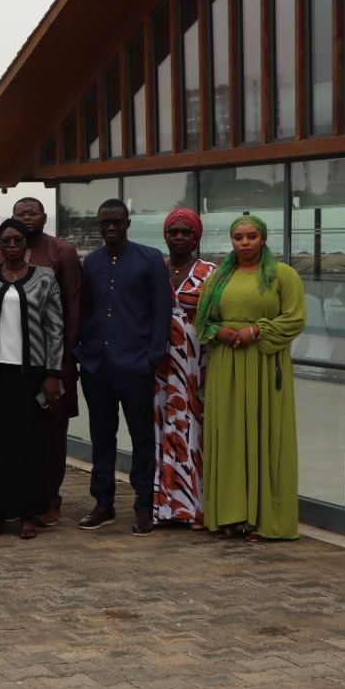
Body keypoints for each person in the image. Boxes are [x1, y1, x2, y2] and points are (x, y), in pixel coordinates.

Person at [196, 214, 306, 542]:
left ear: (263, 238)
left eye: (252, 236)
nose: (245, 243)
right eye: (238, 237)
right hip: (226, 364)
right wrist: (218, 331)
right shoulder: (218, 278)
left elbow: (295, 318)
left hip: (265, 363)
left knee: (267, 435)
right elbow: (203, 322)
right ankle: (229, 517)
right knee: (228, 435)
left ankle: (266, 521)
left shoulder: (282, 275)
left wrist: (256, 330)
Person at [0, 220, 65, 541]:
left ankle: (28, 513)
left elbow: (55, 328)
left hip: (31, 375)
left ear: (26, 245)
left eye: (17, 240)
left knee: (29, 447)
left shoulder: (45, 277)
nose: (11, 246)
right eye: (5, 241)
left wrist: (52, 374)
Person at [75, 199, 173, 535]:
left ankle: (144, 506)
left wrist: (152, 357)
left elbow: (162, 311)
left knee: (142, 439)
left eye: (117, 222)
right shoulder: (91, 262)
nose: (111, 228)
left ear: (128, 223)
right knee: (101, 438)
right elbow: (85, 309)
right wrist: (82, 351)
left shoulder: (150, 259)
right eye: (105, 223)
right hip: (97, 367)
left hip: (136, 367)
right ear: (98, 226)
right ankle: (103, 503)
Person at [9, 196, 82, 527]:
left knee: (53, 431)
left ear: (44, 217)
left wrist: (65, 358)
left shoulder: (62, 252)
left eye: (32, 213)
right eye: (20, 213)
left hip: (53, 357)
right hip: (12, 360)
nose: (26, 217)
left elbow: (73, 305)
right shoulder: (4, 252)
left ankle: (50, 500)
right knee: (18, 431)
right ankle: (19, 497)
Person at [154, 209, 216, 530]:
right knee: (162, 428)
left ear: (196, 237)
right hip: (159, 361)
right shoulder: (156, 269)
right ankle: (164, 508)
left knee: (192, 428)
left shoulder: (210, 273)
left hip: (194, 362)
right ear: (165, 236)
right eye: (173, 231)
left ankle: (194, 509)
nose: (179, 237)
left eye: (186, 232)